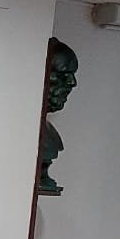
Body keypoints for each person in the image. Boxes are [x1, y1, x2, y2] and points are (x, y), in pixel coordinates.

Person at [38, 37, 79, 194]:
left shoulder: (49, 135)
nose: (72, 83)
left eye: (72, 74)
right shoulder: (20, 133)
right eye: (63, 74)